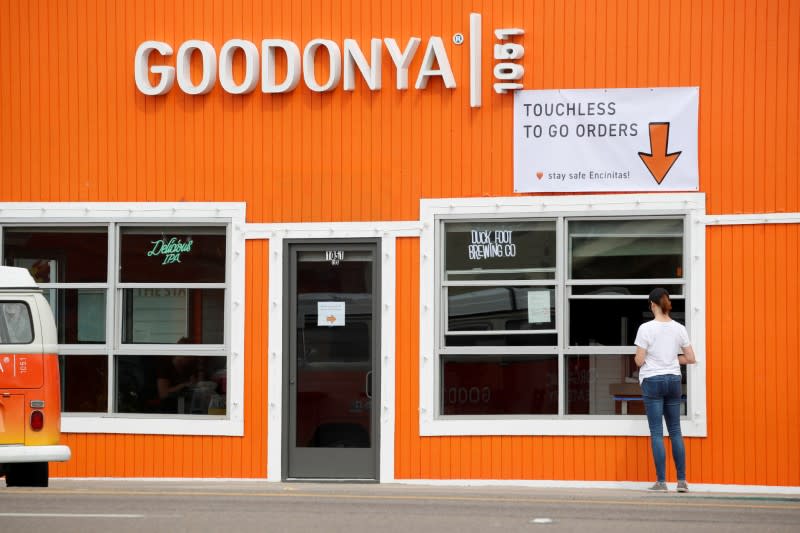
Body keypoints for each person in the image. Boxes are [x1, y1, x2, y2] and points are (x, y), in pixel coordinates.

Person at [634, 287, 697, 492]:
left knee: (657, 432)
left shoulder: (645, 328)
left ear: (652, 305)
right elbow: (690, 358)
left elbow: (639, 360)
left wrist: (645, 359)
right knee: (676, 431)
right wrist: (671, 359)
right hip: (673, 380)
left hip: (652, 380)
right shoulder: (679, 328)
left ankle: (661, 482)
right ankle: (682, 481)